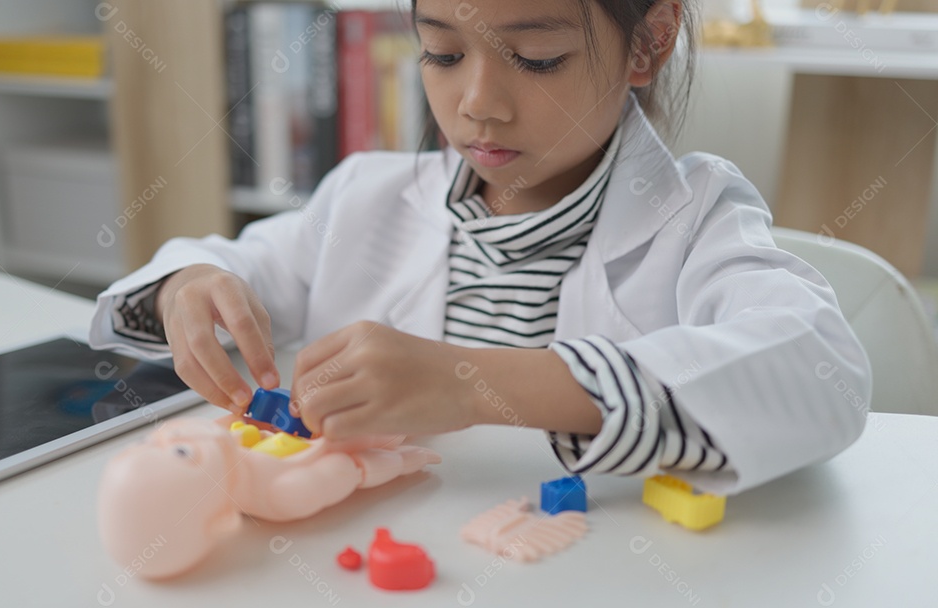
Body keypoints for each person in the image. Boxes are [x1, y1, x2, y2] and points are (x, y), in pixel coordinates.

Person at [90, 0, 870, 495]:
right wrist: (188, 283)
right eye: (443, 53)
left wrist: (471, 383)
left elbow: (818, 368)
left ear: (648, 42)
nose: (477, 106)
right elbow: (240, 267)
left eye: (535, 59)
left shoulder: (699, 216)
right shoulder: (366, 194)